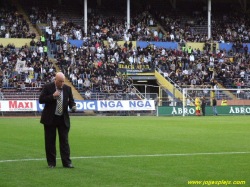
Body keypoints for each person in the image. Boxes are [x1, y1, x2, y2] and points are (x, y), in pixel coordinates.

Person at [39, 72, 76, 168]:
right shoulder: (48, 87)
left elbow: (71, 101)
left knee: (64, 141)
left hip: (63, 118)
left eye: (63, 81)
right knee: (50, 142)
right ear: (55, 79)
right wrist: (52, 96)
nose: (62, 83)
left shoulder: (68, 88)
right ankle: (51, 163)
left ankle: (67, 162)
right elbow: (41, 100)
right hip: (50, 119)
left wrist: (73, 106)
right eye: (60, 81)